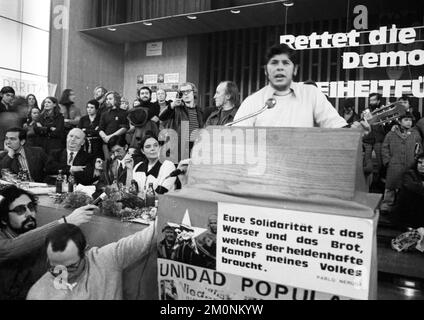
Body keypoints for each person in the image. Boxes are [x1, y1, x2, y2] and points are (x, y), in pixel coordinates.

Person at [0, 185, 95, 299]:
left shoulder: (39, 239)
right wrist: (66, 221)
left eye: (31, 207)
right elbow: (10, 248)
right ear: (3, 219)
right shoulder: (7, 242)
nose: (29, 214)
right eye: (20, 210)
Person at [26, 221, 156, 300]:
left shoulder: (107, 258)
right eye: (54, 268)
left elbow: (150, 236)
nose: (62, 274)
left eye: (71, 267)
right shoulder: (38, 293)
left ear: (85, 252)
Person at [232, 44, 350, 128]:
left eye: (286, 63)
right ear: (265, 71)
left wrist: (354, 132)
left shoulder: (311, 94)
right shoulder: (253, 101)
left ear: (295, 70)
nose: (280, 67)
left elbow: (335, 124)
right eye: (274, 63)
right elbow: (236, 135)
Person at [380, 113, 422, 213]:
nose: (409, 122)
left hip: (410, 164)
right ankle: (387, 205)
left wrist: (415, 161)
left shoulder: (415, 134)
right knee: (391, 186)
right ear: (399, 121)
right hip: (394, 164)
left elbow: (419, 148)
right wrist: (387, 161)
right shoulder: (391, 134)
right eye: (406, 120)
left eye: (410, 120)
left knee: (406, 187)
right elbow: (385, 148)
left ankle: (402, 207)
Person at [159, 82, 204, 159]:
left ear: (194, 93)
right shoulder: (176, 109)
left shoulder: (199, 111)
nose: (186, 94)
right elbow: (161, 117)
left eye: (188, 91)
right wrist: (172, 105)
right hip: (180, 148)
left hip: (196, 148)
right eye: (183, 92)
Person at [390, 153, 424, 228]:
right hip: (409, 212)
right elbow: (413, 187)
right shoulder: (409, 173)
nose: (422, 165)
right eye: (420, 162)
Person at [362, 92, 387, 192]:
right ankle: (366, 185)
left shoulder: (383, 111)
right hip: (367, 139)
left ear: (378, 101)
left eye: (373, 100)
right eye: (370, 100)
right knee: (366, 164)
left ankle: (379, 184)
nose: (371, 102)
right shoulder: (365, 111)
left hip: (379, 139)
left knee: (381, 163)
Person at [98, 91, 129, 160]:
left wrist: (111, 136)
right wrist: (105, 137)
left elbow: (125, 127)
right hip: (106, 144)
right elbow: (100, 128)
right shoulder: (104, 114)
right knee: (108, 162)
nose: (108, 101)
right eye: (107, 99)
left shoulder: (123, 113)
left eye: (110, 99)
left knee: (119, 161)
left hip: (119, 144)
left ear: (116, 100)